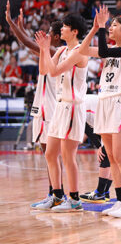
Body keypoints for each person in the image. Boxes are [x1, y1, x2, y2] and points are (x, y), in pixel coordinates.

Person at [79, 5, 121, 218]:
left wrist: (102, 27)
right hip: (104, 101)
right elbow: (83, 50)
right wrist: (96, 28)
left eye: (114, 25)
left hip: (120, 100)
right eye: (110, 25)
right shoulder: (110, 50)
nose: (111, 28)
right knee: (111, 157)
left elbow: (104, 51)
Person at [5, 1, 65, 209]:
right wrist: (20, 28)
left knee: (51, 154)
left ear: (56, 36)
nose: (46, 36)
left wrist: (12, 25)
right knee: (47, 154)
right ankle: (54, 193)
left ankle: (58, 194)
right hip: (43, 107)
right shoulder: (49, 50)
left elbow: (30, 44)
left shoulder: (58, 50)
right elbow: (29, 44)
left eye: (49, 33)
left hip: (50, 107)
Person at [34, 14, 88, 212]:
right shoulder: (63, 50)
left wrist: (47, 50)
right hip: (60, 106)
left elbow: (55, 71)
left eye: (65, 27)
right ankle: (57, 196)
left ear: (74, 31)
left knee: (68, 156)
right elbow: (44, 69)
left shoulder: (79, 51)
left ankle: (74, 200)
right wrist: (43, 49)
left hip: (73, 106)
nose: (61, 29)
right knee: (50, 153)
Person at [80, 94, 114, 203]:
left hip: (110, 120)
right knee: (111, 157)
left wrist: (100, 146)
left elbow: (88, 129)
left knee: (106, 155)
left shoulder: (79, 107)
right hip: (109, 118)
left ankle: (100, 193)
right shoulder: (81, 104)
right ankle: (105, 191)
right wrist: (99, 145)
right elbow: (87, 129)